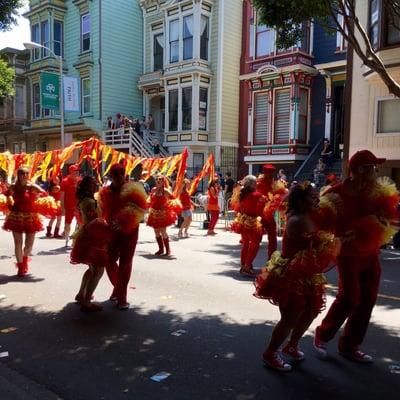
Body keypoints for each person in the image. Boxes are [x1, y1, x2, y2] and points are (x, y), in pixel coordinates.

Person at [314, 150, 399, 363]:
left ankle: (350, 345)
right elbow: (321, 223)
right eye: (372, 168)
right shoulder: (335, 193)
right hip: (348, 255)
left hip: (371, 254)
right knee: (350, 297)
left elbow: (389, 217)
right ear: (359, 170)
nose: (375, 172)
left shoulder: (377, 192)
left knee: (367, 300)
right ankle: (322, 334)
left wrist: (376, 224)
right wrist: (340, 236)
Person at [254, 182, 340, 371]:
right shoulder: (297, 220)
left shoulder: (310, 215)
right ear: (300, 202)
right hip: (292, 274)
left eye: (317, 196)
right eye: (312, 198)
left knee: (311, 310)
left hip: (307, 273)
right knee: (290, 318)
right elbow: (314, 250)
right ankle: (270, 353)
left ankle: (292, 345)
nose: (317, 200)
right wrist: (337, 242)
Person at [99, 164, 148, 310]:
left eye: (121, 173)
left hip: (130, 231)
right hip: (111, 230)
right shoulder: (104, 192)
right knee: (109, 260)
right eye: (116, 174)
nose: (119, 176)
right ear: (111, 176)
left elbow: (139, 209)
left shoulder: (133, 189)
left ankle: (122, 297)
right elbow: (102, 210)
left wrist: (124, 223)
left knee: (125, 263)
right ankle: (118, 289)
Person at [71, 176, 110, 312]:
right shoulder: (89, 201)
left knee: (91, 269)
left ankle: (81, 294)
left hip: (85, 234)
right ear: (88, 187)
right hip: (93, 236)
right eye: (93, 184)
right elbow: (95, 221)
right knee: (98, 270)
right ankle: (86, 301)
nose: (96, 185)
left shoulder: (84, 199)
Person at [3, 167, 46, 276]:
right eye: (22, 173)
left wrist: (38, 197)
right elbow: (6, 195)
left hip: (30, 217)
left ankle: (25, 259)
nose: (25, 175)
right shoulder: (13, 186)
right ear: (18, 175)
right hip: (16, 216)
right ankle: (20, 267)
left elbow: (44, 194)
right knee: (18, 243)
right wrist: (8, 203)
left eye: (27, 173)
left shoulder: (32, 186)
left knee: (29, 245)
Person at [230, 175, 265, 276]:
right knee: (255, 245)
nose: (257, 184)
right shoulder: (256, 194)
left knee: (245, 244)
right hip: (252, 221)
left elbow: (239, 207)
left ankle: (244, 265)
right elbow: (265, 202)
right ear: (253, 184)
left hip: (243, 220)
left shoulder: (241, 194)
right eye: (256, 182)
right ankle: (247, 266)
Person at [256, 164, 288, 259]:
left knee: (270, 236)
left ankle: (270, 258)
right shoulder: (260, 183)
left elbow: (279, 195)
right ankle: (269, 259)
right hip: (261, 213)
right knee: (258, 238)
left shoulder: (272, 183)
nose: (271, 176)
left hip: (265, 213)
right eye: (269, 174)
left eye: (271, 174)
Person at [147, 174, 180, 256]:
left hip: (162, 214)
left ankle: (168, 250)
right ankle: (161, 249)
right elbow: (150, 199)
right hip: (154, 213)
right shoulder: (153, 190)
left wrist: (170, 206)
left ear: (163, 182)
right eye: (157, 179)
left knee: (163, 231)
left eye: (160, 179)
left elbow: (174, 198)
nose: (158, 181)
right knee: (156, 232)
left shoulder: (165, 191)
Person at [60, 164, 81, 246]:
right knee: (67, 224)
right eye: (75, 171)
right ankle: (66, 239)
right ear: (71, 171)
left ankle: (77, 241)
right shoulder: (65, 181)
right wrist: (62, 208)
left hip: (79, 206)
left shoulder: (80, 180)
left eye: (78, 171)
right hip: (68, 206)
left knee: (80, 223)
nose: (77, 172)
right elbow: (62, 196)